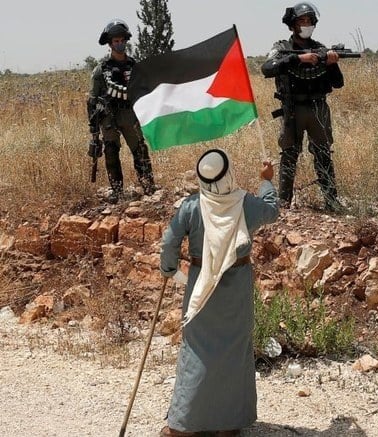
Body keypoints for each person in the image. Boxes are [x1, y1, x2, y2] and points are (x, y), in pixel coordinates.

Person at [159, 150, 279, 436]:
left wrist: (172, 272)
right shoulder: (245, 205)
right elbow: (271, 210)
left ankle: (183, 426)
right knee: (234, 349)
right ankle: (228, 424)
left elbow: (169, 242)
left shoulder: (191, 206)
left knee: (197, 350)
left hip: (200, 284)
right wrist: (266, 180)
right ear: (229, 174)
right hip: (236, 285)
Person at [261, 2, 344, 212]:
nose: (306, 25)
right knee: (289, 154)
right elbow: (267, 68)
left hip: (318, 108)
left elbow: (338, 83)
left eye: (309, 21)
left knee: (323, 154)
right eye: (301, 21)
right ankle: (284, 201)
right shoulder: (281, 48)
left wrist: (332, 63)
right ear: (292, 25)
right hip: (292, 109)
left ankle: (331, 200)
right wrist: (298, 58)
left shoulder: (321, 49)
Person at [87, 19, 156, 204]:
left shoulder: (135, 67)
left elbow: (145, 91)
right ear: (109, 43)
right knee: (111, 151)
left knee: (140, 150)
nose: (119, 44)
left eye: (121, 40)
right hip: (108, 116)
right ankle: (117, 192)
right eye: (115, 41)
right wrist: (93, 132)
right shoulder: (100, 71)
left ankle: (149, 187)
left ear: (126, 41)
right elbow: (92, 100)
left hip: (130, 114)